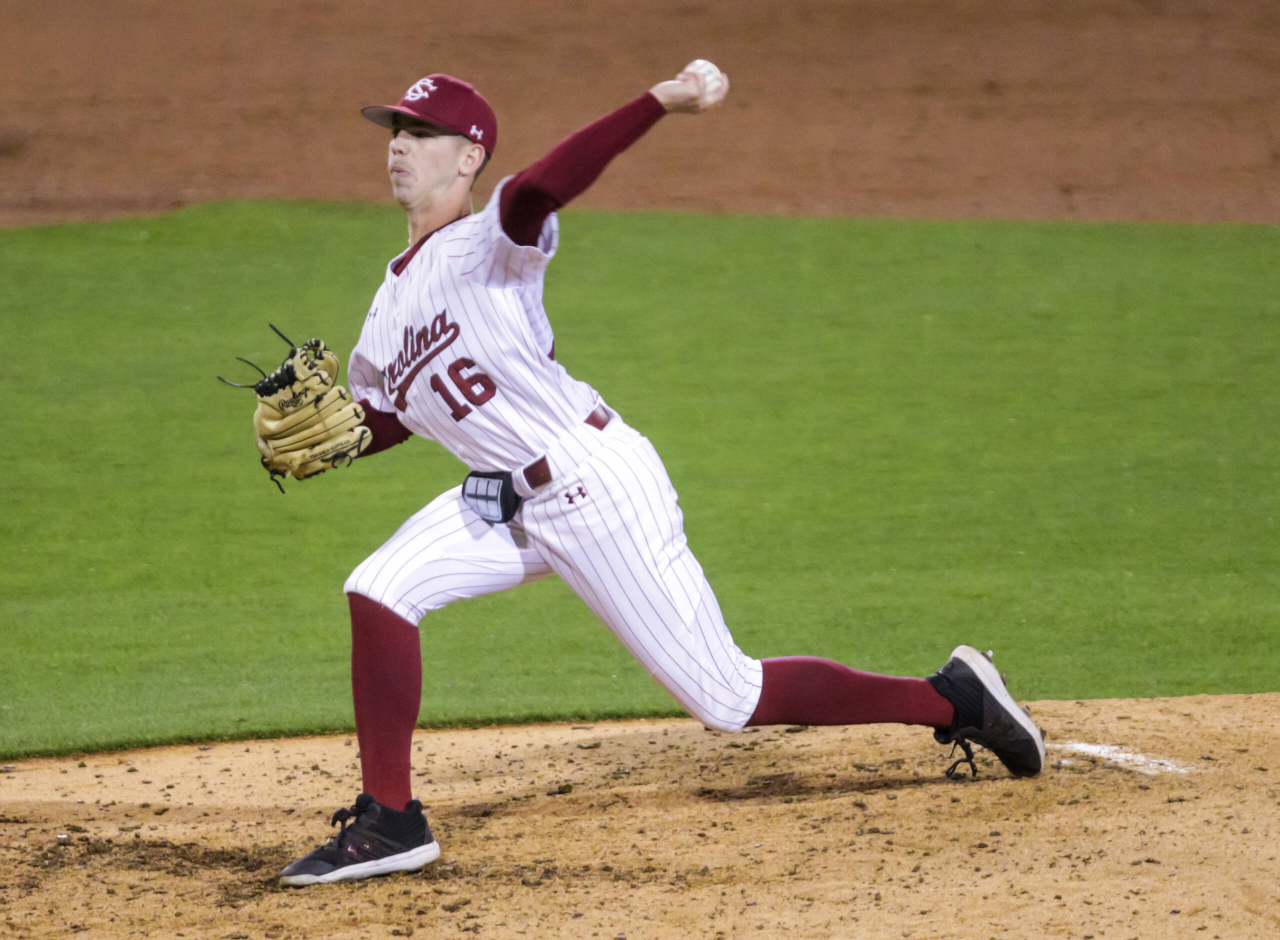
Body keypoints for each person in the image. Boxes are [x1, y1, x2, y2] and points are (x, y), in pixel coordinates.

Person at [277, 65, 1045, 888]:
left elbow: (541, 186)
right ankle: (392, 820)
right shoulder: (386, 306)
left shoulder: (490, 242)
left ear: (469, 157)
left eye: (421, 132)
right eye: (394, 129)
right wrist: (327, 444)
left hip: (595, 485)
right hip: (504, 500)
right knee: (380, 586)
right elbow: (386, 416)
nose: (399, 145)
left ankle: (954, 697)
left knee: (728, 697)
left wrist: (658, 104)